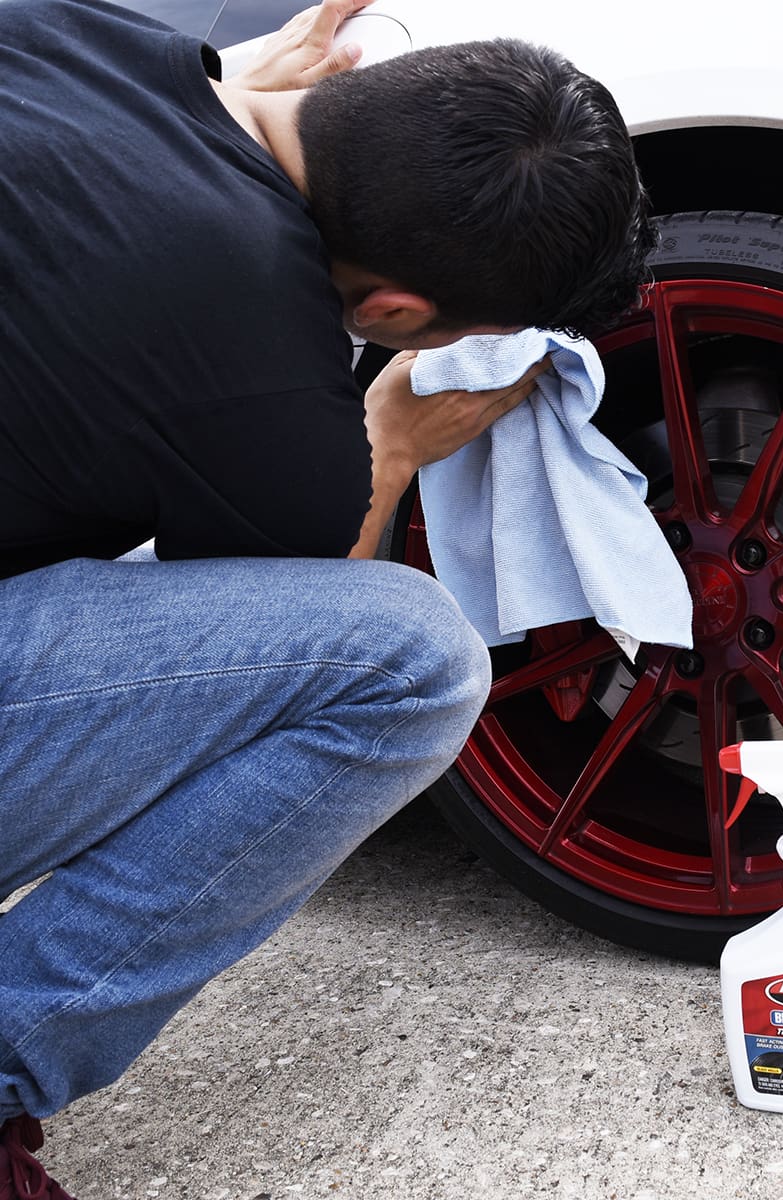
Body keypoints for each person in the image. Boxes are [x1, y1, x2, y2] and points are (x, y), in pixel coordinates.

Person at [0, 0, 653, 1192]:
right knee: (407, 664)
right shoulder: (256, 364)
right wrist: (389, 444)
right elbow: (277, 638)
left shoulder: (60, 31)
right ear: (397, 317)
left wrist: (239, 86)